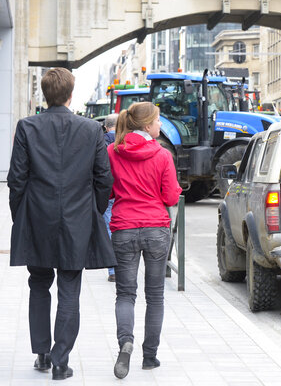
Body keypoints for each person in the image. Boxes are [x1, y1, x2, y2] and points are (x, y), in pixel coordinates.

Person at [7, 67, 115, 381]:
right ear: (70, 95)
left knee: (39, 284)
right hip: (77, 219)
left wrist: (20, 216)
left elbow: (17, 180)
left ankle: (41, 353)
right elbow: (103, 179)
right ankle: (60, 360)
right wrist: (92, 213)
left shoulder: (27, 127)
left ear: (45, 94)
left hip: (37, 217)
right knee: (70, 288)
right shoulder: (91, 130)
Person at [108, 102, 181, 379]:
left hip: (124, 227)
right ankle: (149, 356)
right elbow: (172, 197)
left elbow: (107, 191)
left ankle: (125, 342)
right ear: (147, 125)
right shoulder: (162, 155)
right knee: (155, 296)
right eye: (158, 120)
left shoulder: (112, 152)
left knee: (125, 294)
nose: (160, 125)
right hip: (155, 229)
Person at [103, 113, 119, 282]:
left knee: (109, 227)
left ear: (106, 127)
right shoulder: (126, 141)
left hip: (107, 191)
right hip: (124, 190)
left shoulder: (100, 142)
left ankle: (112, 270)